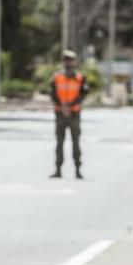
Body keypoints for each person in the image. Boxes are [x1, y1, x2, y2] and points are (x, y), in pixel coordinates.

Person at [50, 50, 89, 179]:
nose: (68, 62)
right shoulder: (56, 77)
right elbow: (52, 93)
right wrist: (62, 106)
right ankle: (58, 169)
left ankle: (78, 169)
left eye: (70, 60)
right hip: (60, 113)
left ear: (74, 61)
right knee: (59, 142)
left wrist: (71, 106)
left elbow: (83, 94)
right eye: (66, 60)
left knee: (75, 142)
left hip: (74, 113)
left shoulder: (80, 78)